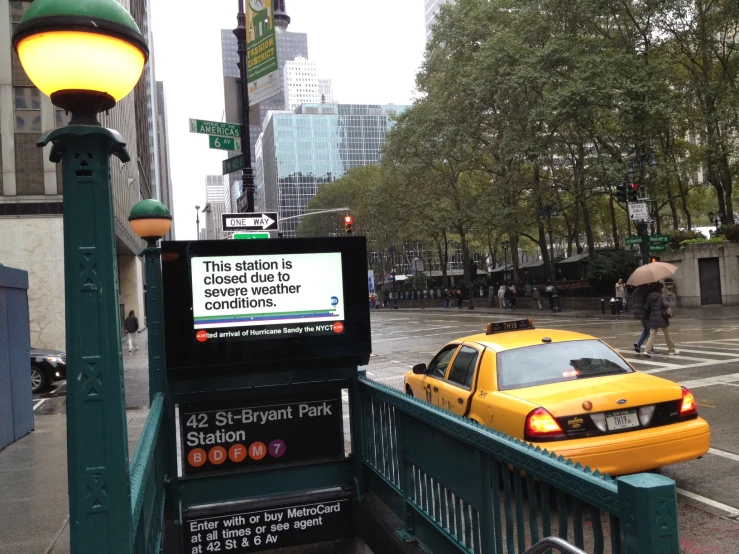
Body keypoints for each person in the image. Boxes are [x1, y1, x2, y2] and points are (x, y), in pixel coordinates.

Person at [643, 283, 680, 357]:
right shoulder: (661, 295)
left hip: (653, 317)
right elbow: (666, 305)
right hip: (662, 317)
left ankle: (647, 350)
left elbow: (646, 307)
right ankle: (672, 350)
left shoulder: (649, 296)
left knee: (652, 334)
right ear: (658, 288)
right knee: (667, 334)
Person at [631, 283, 653, 353]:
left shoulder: (636, 290)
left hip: (639, 314)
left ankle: (639, 343)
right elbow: (649, 302)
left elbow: (633, 302)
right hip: (646, 313)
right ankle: (650, 348)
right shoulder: (648, 290)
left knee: (647, 329)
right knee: (650, 331)